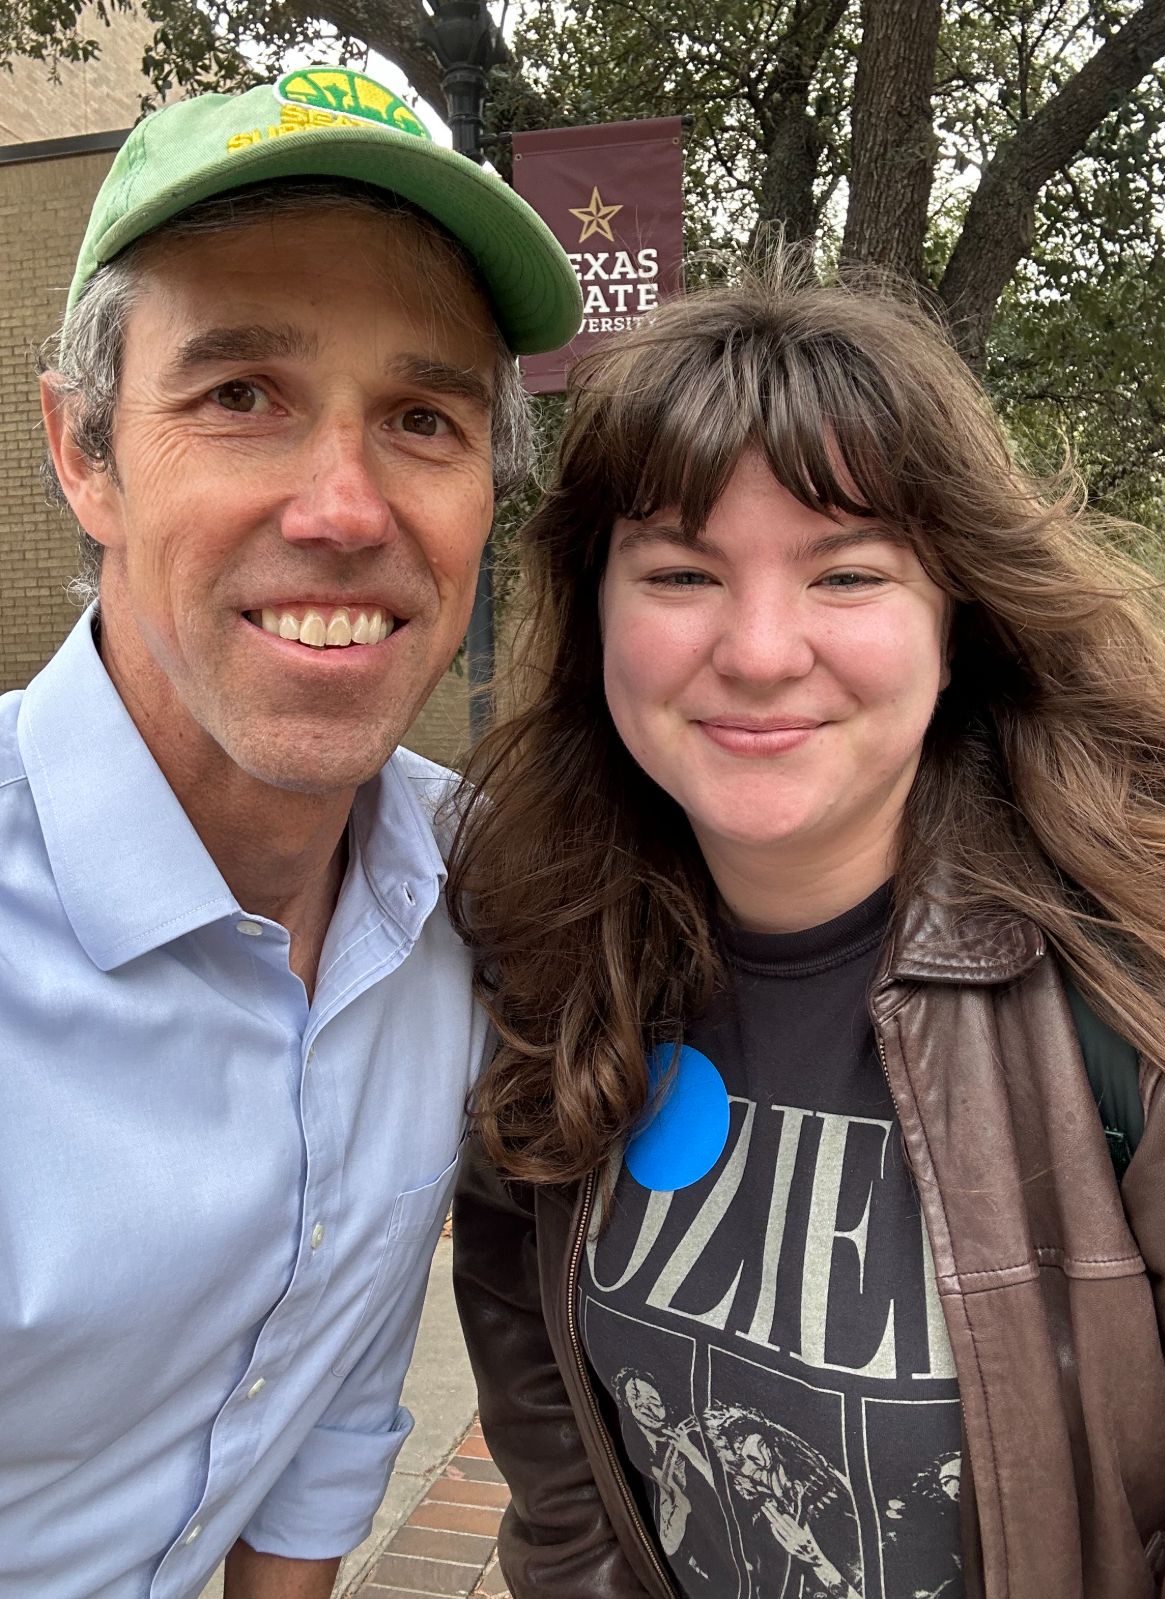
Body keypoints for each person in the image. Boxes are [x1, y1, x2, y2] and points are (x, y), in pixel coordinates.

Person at [448, 255, 1165, 1599]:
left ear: (953, 617)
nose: (758, 647)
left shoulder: (1151, 985)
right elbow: (539, 1373)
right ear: (600, 615)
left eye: (846, 576)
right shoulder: (545, 947)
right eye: (681, 573)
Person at [0, 66, 579, 1599]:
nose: (343, 505)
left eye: (420, 416)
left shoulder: (475, 890)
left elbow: (329, 1401)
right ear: (84, 453)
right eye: (239, 394)